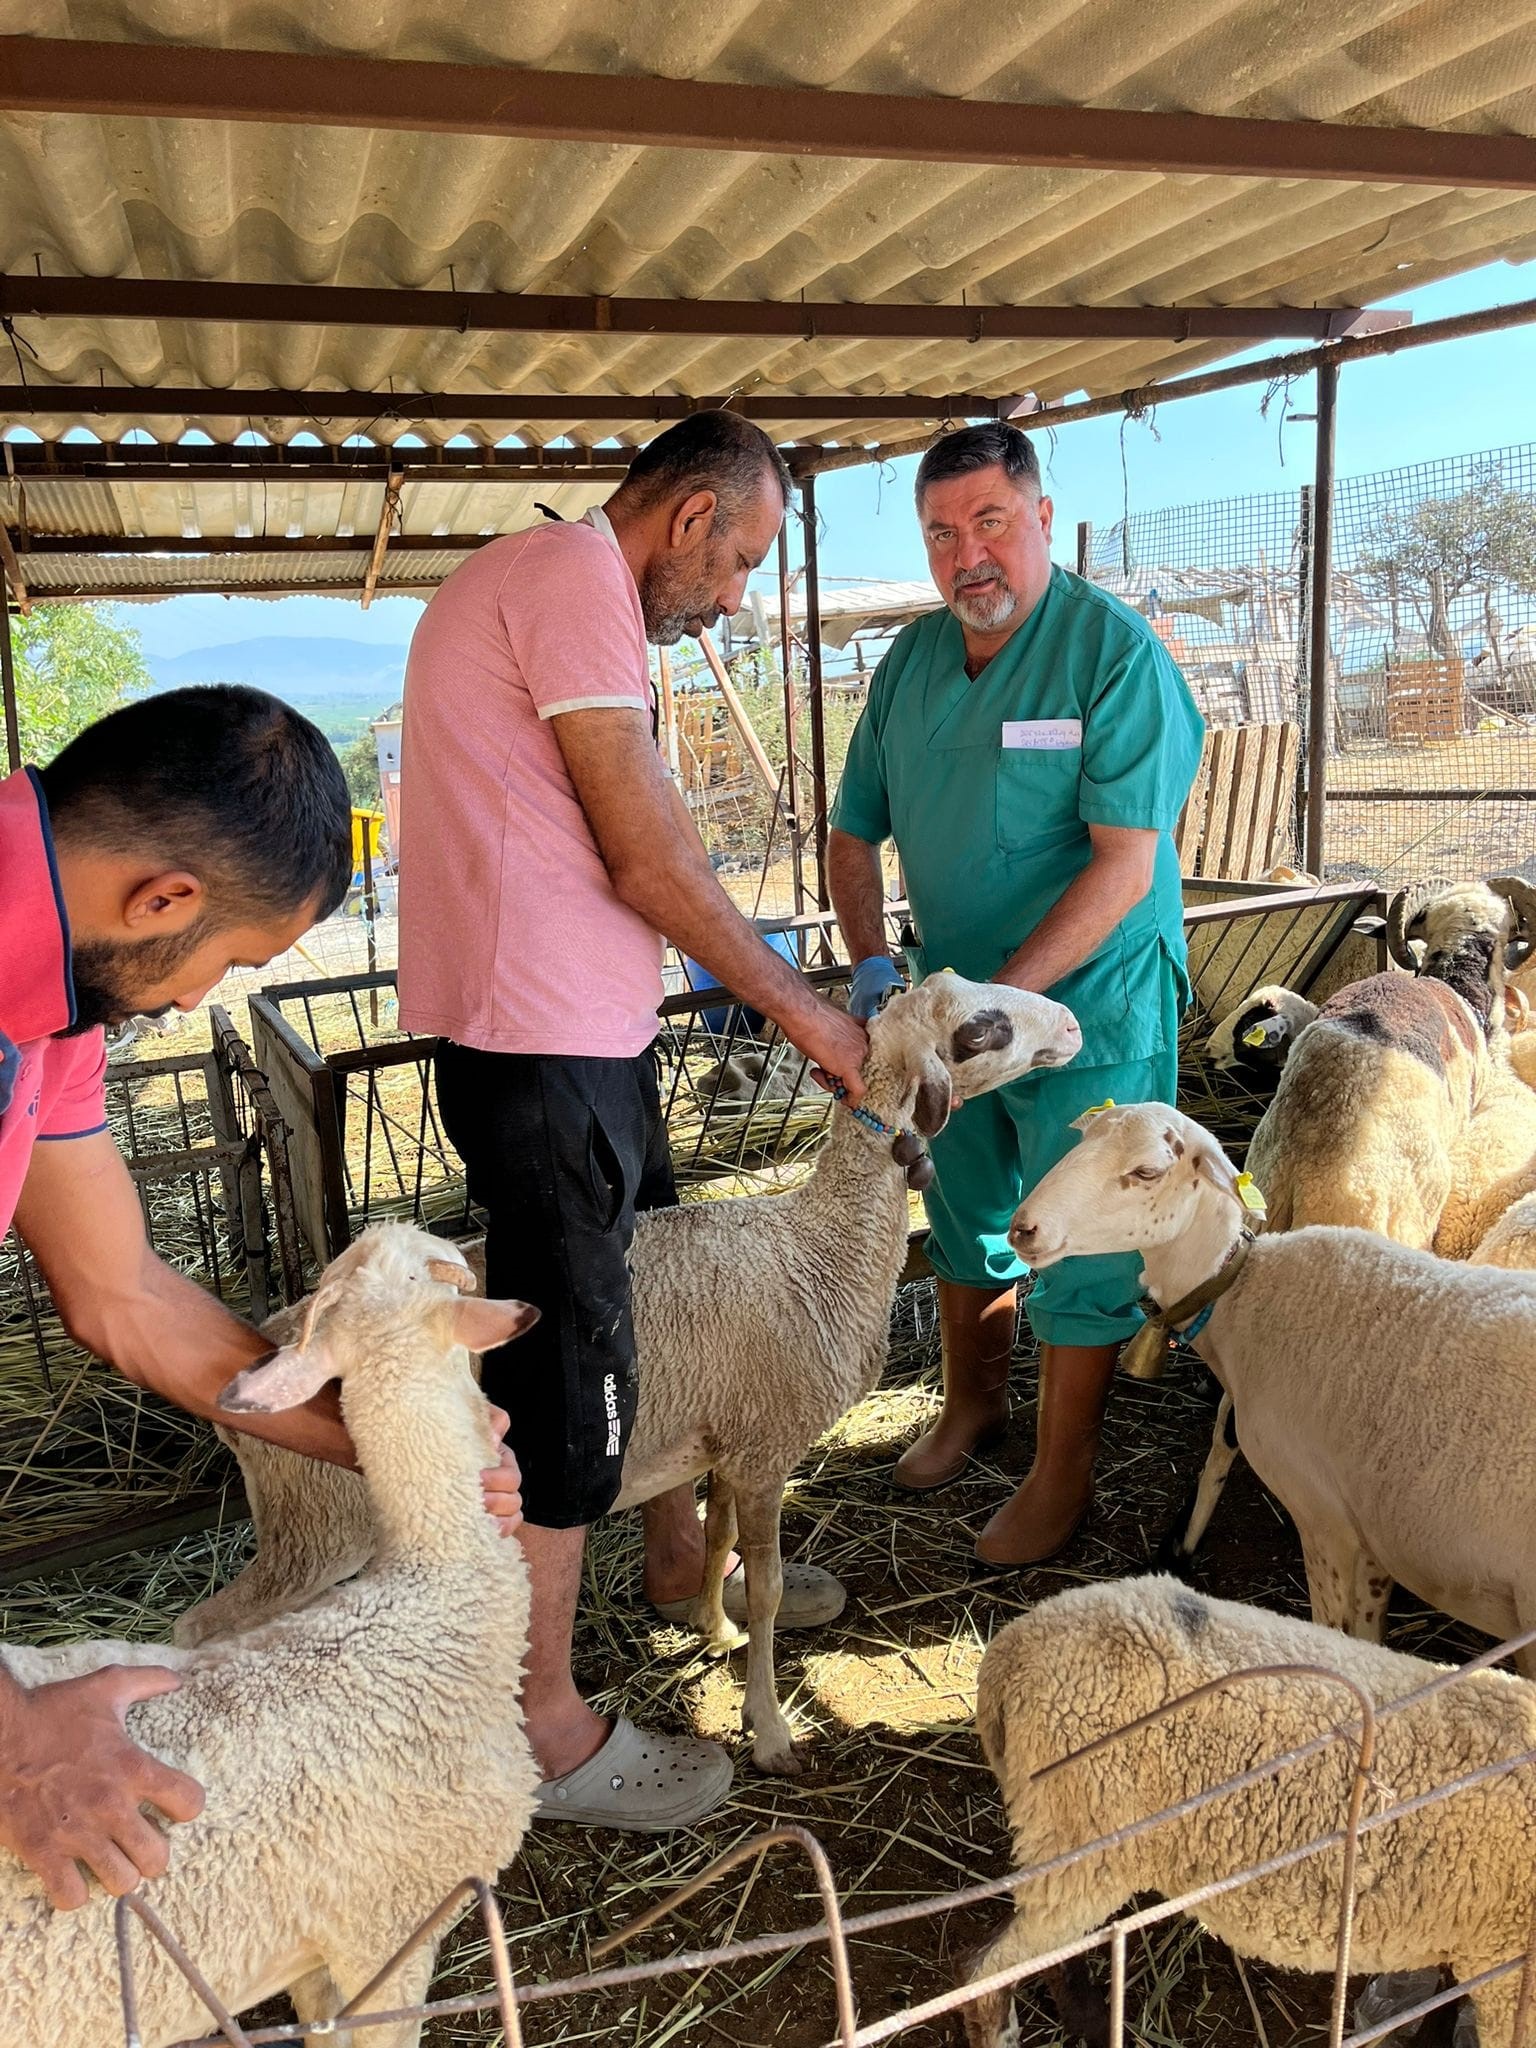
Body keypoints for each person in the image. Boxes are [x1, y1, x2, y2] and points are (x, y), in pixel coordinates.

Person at [398, 410, 869, 1829]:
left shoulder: (570, 602)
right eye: (743, 561)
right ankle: (543, 1728)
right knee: (565, 1387)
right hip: (543, 1063)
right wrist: (807, 1013)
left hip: (586, 1042)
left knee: (642, 1318)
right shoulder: (569, 583)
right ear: (689, 518)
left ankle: (679, 1567)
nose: (737, 596)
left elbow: (637, 837)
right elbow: (648, 853)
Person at [0, 686, 524, 1910]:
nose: (195, 1003)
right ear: (166, 899)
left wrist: (398, 1448)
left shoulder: (63, 990)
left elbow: (122, 1289)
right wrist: (17, 1736)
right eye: (228, 963)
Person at [827, 423, 1203, 1568]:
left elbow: (1123, 864)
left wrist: (999, 1006)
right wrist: (881, 975)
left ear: (1042, 517)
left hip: (1085, 1011)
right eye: (943, 533)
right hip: (953, 1015)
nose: (967, 555)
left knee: (1081, 1226)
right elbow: (853, 832)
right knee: (962, 1198)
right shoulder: (910, 662)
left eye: (990, 521)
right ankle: (970, 1404)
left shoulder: (1114, 656)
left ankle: (1061, 1468)